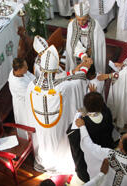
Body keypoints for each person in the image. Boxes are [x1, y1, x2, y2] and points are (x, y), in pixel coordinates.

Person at [27, 45, 88, 173]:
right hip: (57, 125)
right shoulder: (62, 87)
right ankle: (60, 162)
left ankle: (47, 162)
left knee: (45, 144)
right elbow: (79, 80)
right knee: (60, 142)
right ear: (55, 70)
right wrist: (84, 67)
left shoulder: (31, 86)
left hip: (41, 125)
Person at [68, 91, 115, 183]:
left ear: (85, 106)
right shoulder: (107, 113)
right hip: (105, 153)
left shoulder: (82, 122)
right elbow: (102, 107)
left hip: (89, 160)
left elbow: (72, 136)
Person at [66, 1, 106, 81]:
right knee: (76, 70)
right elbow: (73, 43)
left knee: (93, 70)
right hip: (78, 53)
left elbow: (99, 43)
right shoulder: (72, 25)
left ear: (87, 16)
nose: (81, 22)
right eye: (78, 19)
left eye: (83, 20)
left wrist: (92, 49)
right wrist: (83, 55)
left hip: (92, 52)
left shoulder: (95, 25)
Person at [8, 57, 34, 130]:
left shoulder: (21, 72)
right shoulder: (18, 84)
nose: (27, 67)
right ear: (19, 70)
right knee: (27, 124)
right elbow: (31, 94)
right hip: (24, 105)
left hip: (31, 94)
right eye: (25, 67)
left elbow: (32, 77)